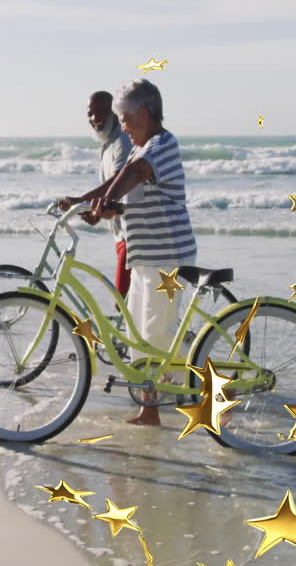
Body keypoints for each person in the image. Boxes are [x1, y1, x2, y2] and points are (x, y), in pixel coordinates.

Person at [93, 78, 197, 426]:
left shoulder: (162, 144)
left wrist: (107, 200)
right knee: (139, 335)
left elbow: (136, 174)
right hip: (145, 257)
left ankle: (218, 396)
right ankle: (149, 410)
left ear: (143, 113)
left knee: (160, 336)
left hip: (167, 257)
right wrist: (97, 204)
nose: (122, 127)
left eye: (125, 119)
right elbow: (127, 190)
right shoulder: (139, 149)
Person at [56, 91, 134, 297]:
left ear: (114, 112)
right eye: (90, 113)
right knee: (127, 304)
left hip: (133, 236)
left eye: (100, 112)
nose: (94, 118)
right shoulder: (107, 143)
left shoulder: (123, 140)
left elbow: (118, 181)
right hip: (121, 234)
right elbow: (114, 194)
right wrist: (96, 213)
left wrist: (81, 200)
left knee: (123, 303)